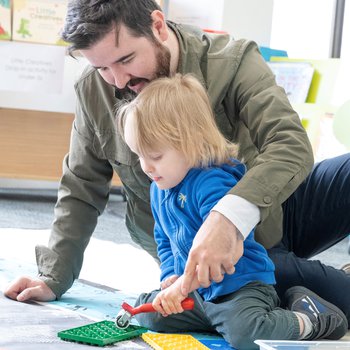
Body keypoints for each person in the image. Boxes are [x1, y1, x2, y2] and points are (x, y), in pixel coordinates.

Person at [4, 0, 350, 324]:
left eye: (125, 60)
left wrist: (227, 217)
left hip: (271, 211)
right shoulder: (95, 90)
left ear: (157, 25)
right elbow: (81, 187)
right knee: (273, 288)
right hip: (213, 260)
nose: (119, 80)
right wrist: (53, 276)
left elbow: (289, 142)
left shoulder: (232, 61)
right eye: (101, 67)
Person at [117, 73, 347, 349]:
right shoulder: (159, 187)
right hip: (199, 294)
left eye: (155, 157)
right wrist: (170, 277)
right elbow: (163, 239)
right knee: (150, 315)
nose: (146, 167)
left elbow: (218, 257)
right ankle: (216, 318)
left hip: (238, 287)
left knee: (246, 334)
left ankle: (310, 318)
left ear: (191, 143)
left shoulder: (213, 183)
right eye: (139, 155)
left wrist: (183, 286)